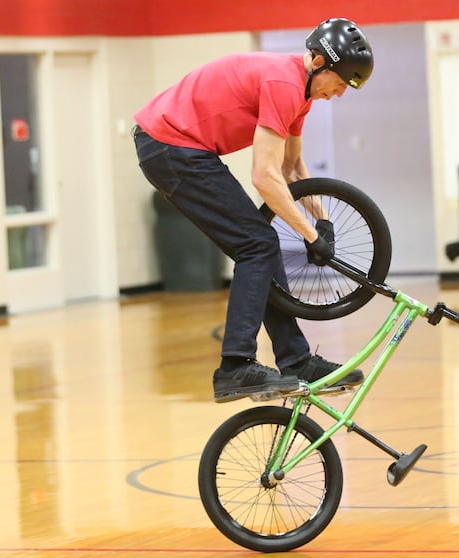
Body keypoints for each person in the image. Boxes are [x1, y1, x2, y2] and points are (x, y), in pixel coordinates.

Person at [132, 18, 374, 403]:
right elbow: (263, 176)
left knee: (261, 243)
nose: (340, 94)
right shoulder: (283, 84)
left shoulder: (301, 93)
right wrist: (309, 236)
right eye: (341, 83)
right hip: (169, 146)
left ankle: (295, 360)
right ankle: (235, 366)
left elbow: (291, 168)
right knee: (257, 244)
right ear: (317, 63)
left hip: (184, 149)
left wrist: (322, 220)